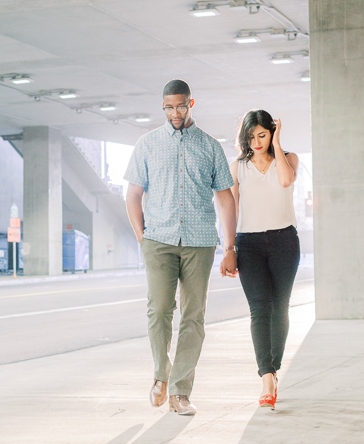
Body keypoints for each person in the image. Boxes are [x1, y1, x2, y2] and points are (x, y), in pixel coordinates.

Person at [125, 79, 237, 415]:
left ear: (191, 103)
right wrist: (141, 237)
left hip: (200, 242)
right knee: (159, 309)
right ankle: (161, 373)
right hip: (158, 240)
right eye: (168, 107)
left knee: (193, 316)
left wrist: (231, 246)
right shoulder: (147, 144)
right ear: (163, 107)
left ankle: (180, 391)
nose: (175, 112)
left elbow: (226, 198)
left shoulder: (210, 147)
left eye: (180, 106)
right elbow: (133, 194)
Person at [228, 110, 300, 409]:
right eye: (251, 136)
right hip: (249, 244)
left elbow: (285, 181)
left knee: (279, 308)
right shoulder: (237, 167)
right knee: (260, 309)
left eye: (262, 135)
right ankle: (266, 377)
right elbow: (231, 210)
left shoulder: (289, 158)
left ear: (271, 133)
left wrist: (279, 143)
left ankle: (273, 366)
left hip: (284, 240)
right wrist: (229, 249)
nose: (256, 142)